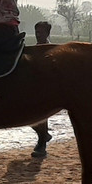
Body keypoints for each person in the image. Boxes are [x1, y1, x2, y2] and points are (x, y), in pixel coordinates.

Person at [30, 21, 52, 157]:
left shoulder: (49, 50)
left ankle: (42, 144)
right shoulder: (36, 48)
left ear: (47, 33)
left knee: (40, 116)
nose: (38, 35)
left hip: (46, 87)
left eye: (41, 32)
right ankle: (44, 135)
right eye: (37, 32)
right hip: (35, 86)